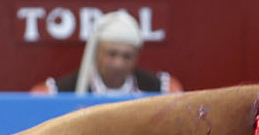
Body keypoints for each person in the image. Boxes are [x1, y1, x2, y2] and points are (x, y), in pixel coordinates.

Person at [30, 10, 183, 95]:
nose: (119, 64)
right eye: (112, 54)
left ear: (137, 57)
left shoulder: (163, 90)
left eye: (127, 56)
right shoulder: (55, 93)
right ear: (96, 52)